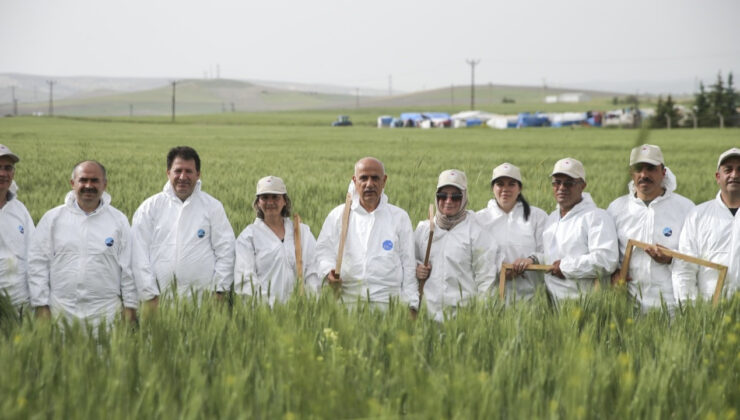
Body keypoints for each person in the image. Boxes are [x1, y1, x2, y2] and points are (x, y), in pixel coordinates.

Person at [28, 161, 137, 324]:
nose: (88, 185)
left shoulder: (118, 220)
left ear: (104, 184)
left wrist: (130, 306)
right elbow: (37, 263)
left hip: (106, 313)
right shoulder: (53, 219)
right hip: (61, 312)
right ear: (73, 183)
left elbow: (128, 268)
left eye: (95, 180)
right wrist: (41, 304)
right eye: (83, 180)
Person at [131, 146, 235, 306]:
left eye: (189, 171)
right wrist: (149, 294)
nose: (183, 177)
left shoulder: (213, 207)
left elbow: (226, 251)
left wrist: (219, 291)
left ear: (198, 174)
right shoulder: (149, 207)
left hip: (203, 303)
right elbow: (137, 253)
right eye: (178, 170)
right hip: (159, 303)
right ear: (168, 173)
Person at [314, 157, 418, 312]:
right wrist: (328, 271)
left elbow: (409, 265)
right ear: (355, 181)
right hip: (347, 304)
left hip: (388, 306)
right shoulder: (339, 215)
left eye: (375, 178)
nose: (369, 184)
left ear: (384, 181)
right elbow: (323, 252)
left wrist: (412, 304)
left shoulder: (399, 217)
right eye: (364, 178)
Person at [607, 144, 694, 312]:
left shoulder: (685, 208)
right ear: (631, 173)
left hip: (671, 306)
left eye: (651, 168)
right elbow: (607, 254)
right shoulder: (616, 208)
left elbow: (695, 257)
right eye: (638, 169)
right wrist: (614, 273)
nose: (644, 175)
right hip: (628, 306)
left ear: (663, 172)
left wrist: (671, 259)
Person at [415, 169, 498, 321]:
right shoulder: (424, 229)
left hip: (463, 318)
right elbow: (407, 263)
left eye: (456, 196)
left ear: (464, 197)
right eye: (442, 195)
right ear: (436, 196)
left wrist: (481, 317)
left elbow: (486, 279)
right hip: (427, 316)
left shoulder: (476, 232)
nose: (448, 201)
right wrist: (417, 268)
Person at [233, 176, 318, 305]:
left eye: (275, 197)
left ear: (285, 201)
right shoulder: (248, 237)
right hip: (264, 314)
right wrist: (270, 308)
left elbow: (314, 269)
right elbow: (245, 279)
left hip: (301, 311)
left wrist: (310, 302)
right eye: (265, 197)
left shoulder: (302, 232)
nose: (270, 202)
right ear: (257, 203)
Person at [542, 157, 618, 302]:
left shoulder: (597, 217)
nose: (562, 187)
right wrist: (530, 260)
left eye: (569, 183)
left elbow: (605, 260)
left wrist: (566, 267)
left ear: (582, 185)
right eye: (557, 182)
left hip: (583, 305)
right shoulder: (551, 218)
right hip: (551, 306)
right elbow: (549, 258)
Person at [673, 148, 740, 302]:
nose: (734, 175)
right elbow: (685, 267)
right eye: (728, 170)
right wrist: (688, 309)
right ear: (718, 177)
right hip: (708, 312)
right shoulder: (698, 215)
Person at [476, 163, 547, 302]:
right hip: (490, 300)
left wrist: (531, 260)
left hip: (529, 300)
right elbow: (475, 255)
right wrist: (499, 270)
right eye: (500, 184)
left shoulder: (537, 216)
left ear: (519, 188)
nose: (505, 189)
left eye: (511, 184)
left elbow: (549, 251)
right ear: (492, 188)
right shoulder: (479, 219)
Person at [0, 145, 35, 314]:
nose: (2, 173)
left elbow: (35, 254)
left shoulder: (19, 209)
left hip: (19, 307)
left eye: (7, 168)